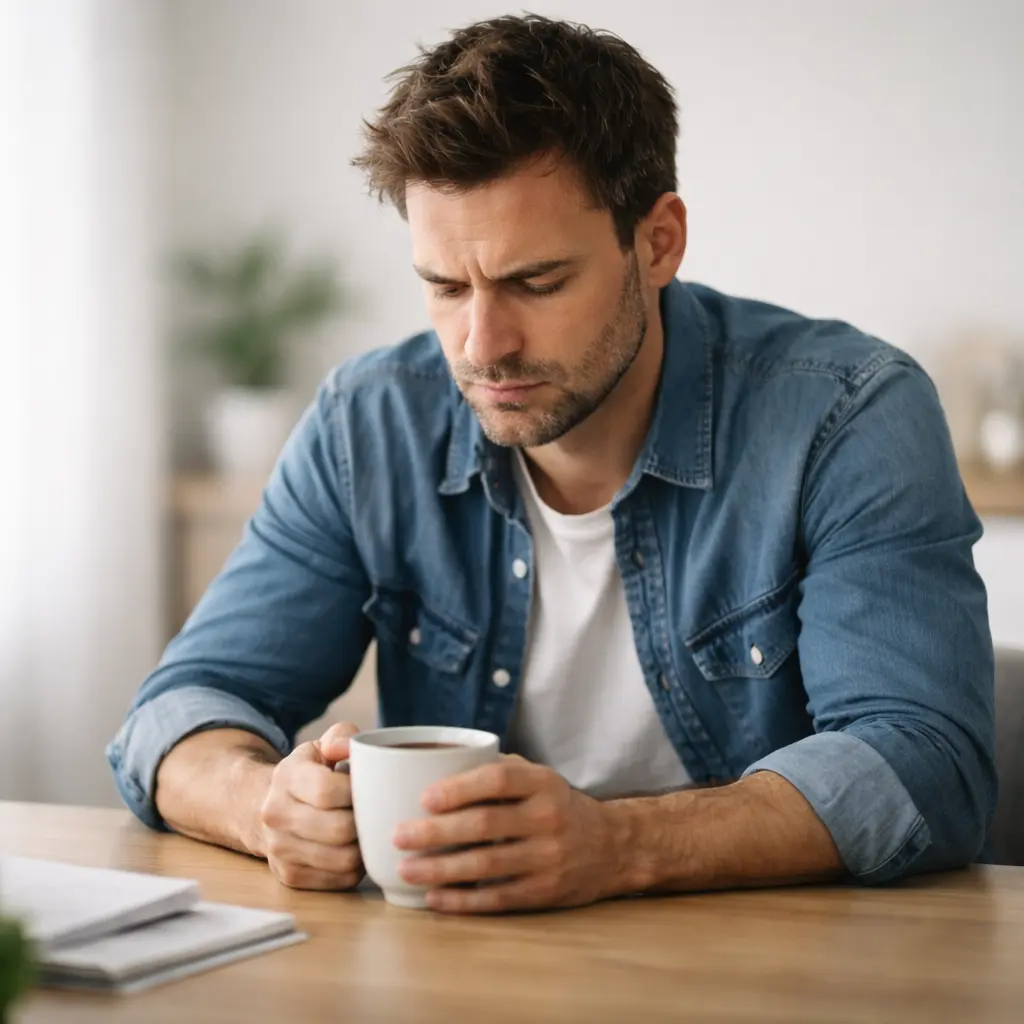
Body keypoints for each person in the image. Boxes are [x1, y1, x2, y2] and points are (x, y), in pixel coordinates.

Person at [108, 14, 996, 914]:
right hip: (461, 960)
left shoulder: (846, 414)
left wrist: (620, 845)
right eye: (445, 286)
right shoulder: (367, 425)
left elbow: (925, 763)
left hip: (771, 960)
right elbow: (177, 714)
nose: (482, 346)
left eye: (536, 283)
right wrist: (265, 806)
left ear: (658, 242)